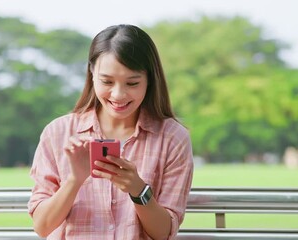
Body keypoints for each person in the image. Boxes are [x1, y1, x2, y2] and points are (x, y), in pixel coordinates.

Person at [28, 24, 194, 240]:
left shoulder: (173, 138)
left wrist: (138, 190)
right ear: (91, 73)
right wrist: (74, 180)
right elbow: (42, 226)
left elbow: (163, 233)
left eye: (132, 83)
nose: (118, 95)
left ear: (150, 80)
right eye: (107, 81)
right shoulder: (58, 133)